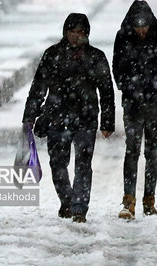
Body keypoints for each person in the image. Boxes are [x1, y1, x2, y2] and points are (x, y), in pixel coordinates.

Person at [22, 13, 115, 223]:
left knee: (83, 164)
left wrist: (107, 122)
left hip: (86, 117)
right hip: (57, 116)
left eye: (80, 32)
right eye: (72, 32)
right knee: (58, 164)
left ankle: (80, 208)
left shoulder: (96, 57)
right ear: (65, 32)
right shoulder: (52, 54)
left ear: (87, 34)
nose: (75, 36)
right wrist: (30, 116)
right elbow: (38, 88)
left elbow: (107, 91)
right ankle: (67, 201)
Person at [113, 0, 157, 219]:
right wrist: (127, 86)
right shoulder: (125, 36)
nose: (141, 30)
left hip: (155, 103)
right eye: (138, 26)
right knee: (133, 151)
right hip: (134, 104)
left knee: (151, 152)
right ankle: (129, 200)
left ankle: (148, 201)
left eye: (144, 26)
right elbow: (117, 67)